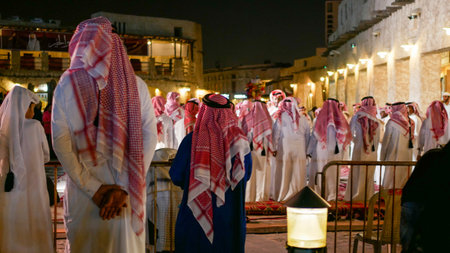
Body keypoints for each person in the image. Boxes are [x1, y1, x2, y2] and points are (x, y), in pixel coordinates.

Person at [51, 17, 157, 252]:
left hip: (85, 195)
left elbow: (60, 142)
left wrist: (94, 188)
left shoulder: (66, 84)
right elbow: (149, 138)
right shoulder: (137, 85)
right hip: (124, 198)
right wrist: (123, 189)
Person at [169, 94, 252, 253]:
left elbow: (176, 175)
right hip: (231, 216)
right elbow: (246, 175)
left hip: (196, 219)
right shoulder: (241, 143)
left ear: (204, 111)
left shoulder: (192, 141)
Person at [0, 85, 53, 253]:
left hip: (9, 185)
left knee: (12, 220)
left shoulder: (3, 131)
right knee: (34, 218)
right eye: (31, 107)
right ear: (25, 107)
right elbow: (46, 155)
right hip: (34, 182)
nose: (33, 111)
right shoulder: (35, 127)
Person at [401, 141, 450, 252]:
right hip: (420, 203)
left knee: (409, 245)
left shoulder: (432, 155)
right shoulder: (442, 161)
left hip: (412, 200)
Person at [308, 98, 352, 201]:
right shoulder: (341, 119)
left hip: (322, 150)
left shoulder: (319, 119)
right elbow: (345, 135)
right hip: (335, 151)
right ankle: (332, 196)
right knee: (333, 173)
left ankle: (321, 195)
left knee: (322, 171)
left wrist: (309, 151)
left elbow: (315, 136)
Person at [271, 97, 310, 201]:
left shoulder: (280, 117)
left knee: (284, 171)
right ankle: (298, 195)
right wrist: (306, 150)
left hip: (285, 148)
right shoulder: (303, 118)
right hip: (300, 148)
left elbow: (276, 134)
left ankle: (283, 195)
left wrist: (274, 148)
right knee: (297, 171)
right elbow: (307, 135)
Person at [344, 96, 380, 201]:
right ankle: (367, 197)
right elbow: (377, 138)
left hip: (359, 149)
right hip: (372, 151)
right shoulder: (376, 120)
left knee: (358, 173)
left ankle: (355, 197)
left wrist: (357, 142)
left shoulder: (357, 117)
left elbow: (349, 134)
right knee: (368, 174)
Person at [380, 102, 414, 190]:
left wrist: (382, 156)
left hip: (394, 153)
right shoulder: (411, 122)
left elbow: (386, 140)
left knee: (392, 173)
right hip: (407, 154)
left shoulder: (392, 122)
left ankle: (387, 194)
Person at [244, 99, 273, 202]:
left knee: (253, 174)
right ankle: (259, 198)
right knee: (260, 174)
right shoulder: (268, 119)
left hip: (252, 150)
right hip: (259, 149)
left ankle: (250, 198)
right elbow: (271, 136)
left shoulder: (246, 118)